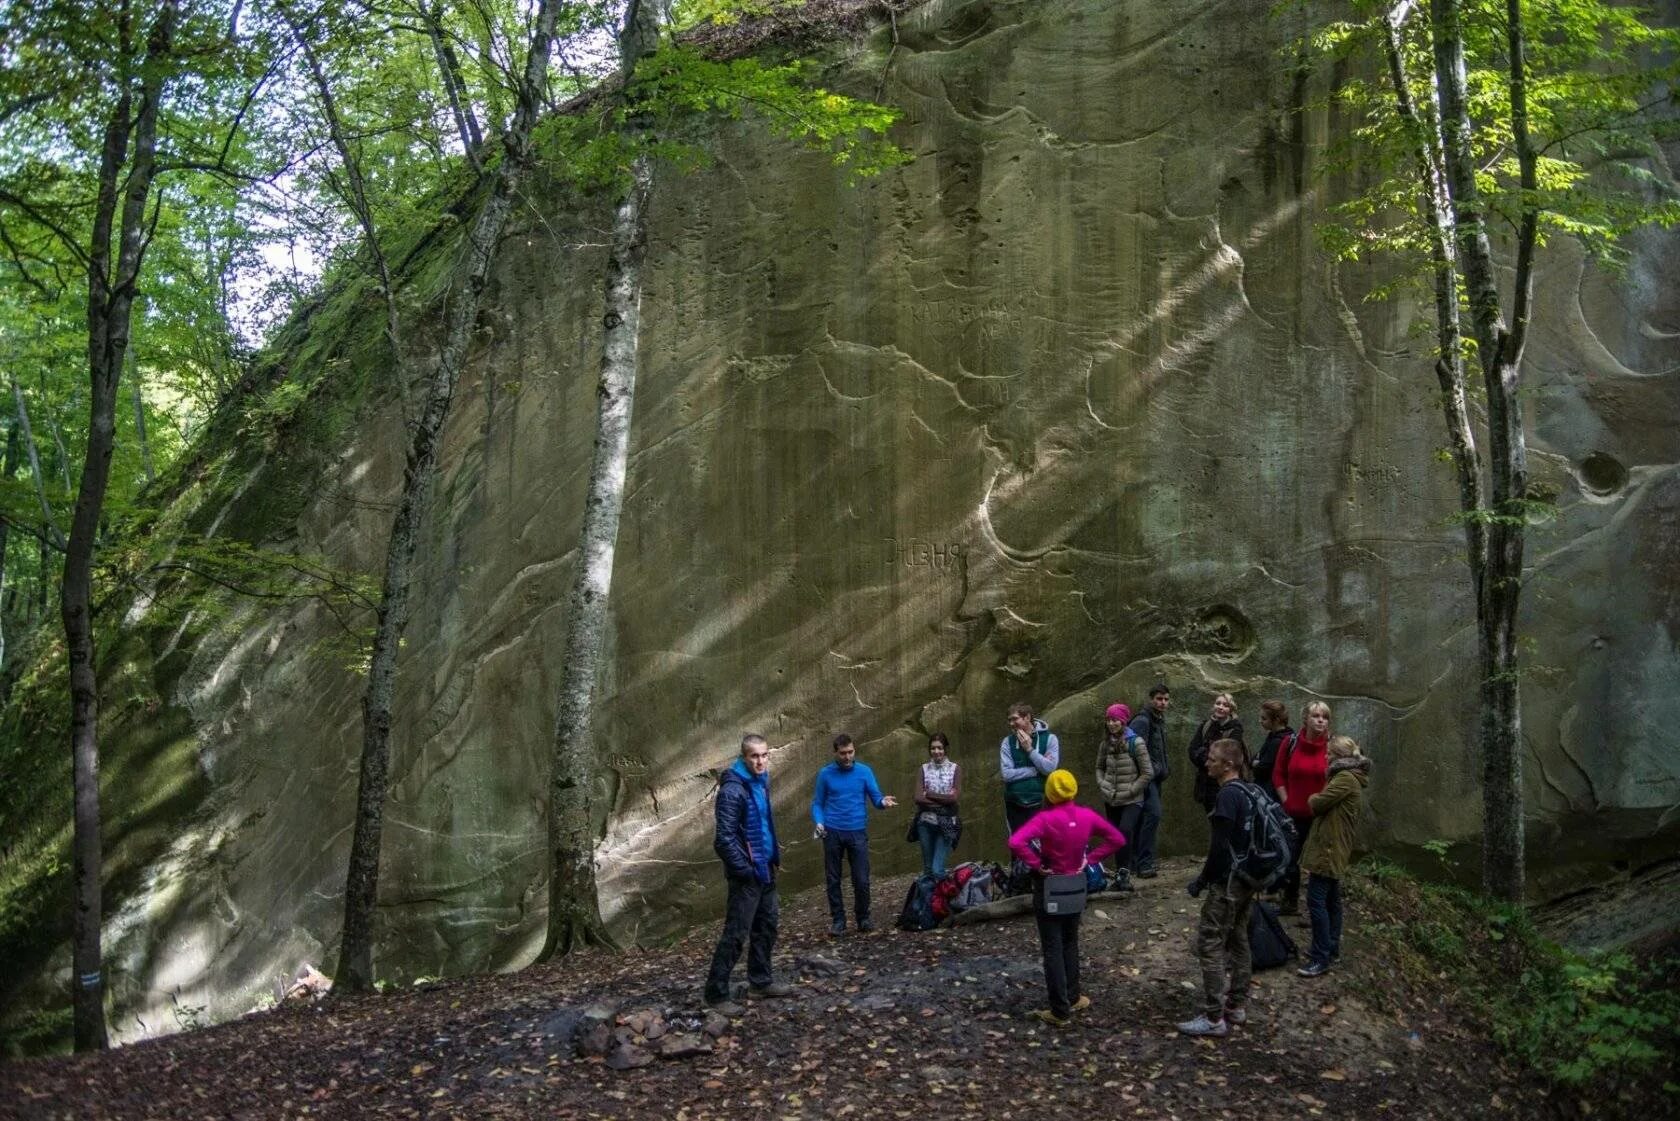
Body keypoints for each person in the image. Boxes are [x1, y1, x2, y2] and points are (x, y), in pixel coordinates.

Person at [1008, 769, 1126, 1026]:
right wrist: (1090, 860)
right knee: (1070, 942)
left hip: (1050, 886)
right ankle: (1072, 997)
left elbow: (1016, 841)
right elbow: (1117, 839)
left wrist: (1036, 863)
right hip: (1076, 885)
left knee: (1053, 947)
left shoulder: (1044, 818)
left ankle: (1060, 1010)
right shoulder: (1086, 815)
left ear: (1049, 792)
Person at [705, 734, 794, 1014]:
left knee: (766, 927)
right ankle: (716, 995)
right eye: (755, 756)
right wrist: (744, 870)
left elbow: (765, 824)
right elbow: (724, 840)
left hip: (765, 869)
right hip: (747, 876)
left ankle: (760, 981)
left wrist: (772, 858)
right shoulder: (732, 790)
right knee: (736, 934)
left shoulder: (761, 781)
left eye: (765, 755)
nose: (761, 761)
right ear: (744, 757)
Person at [1176, 739, 1255, 1038]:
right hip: (1249, 879)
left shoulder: (1228, 796)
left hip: (1230, 881)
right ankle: (1236, 1006)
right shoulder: (1250, 790)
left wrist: (1202, 881)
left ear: (1228, 765)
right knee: (1238, 937)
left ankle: (1213, 1017)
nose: (1207, 763)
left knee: (1210, 940)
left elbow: (1220, 847)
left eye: (1212, 759)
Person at [1298, 735, 1371, 977]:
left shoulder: (1345, 778)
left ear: (1340, 757)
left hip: (1329, 850)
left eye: (1329, 754)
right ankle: (1331, 949)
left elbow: (1318, 804)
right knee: (1331, 901)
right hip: (1334, 848)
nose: (1326, 757)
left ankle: (1321, 957)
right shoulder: (1349, 778)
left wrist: (1311, 798)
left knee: (1316, 901)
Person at [812, 733, 898, 935]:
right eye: (843, 753)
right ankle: (838, 920)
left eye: (850, 752)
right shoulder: (825, 774)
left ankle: (863, 917)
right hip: (832, 831)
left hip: (857, 831)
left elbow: (876, 798)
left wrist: (883, 803)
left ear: (854, 750)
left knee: (861, 878)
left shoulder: (864, 771)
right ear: (835, 753)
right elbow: (817, 803)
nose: (847, 757)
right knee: (833, 879)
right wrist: (819, 822)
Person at [1275, 701, 1332, 915]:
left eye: (1325, 717)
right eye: (1316, 716)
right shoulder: (1290, 742)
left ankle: (1318, 910)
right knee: (1289, 858)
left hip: (1320, 815)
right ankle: (1289, 901)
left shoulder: (1333, 745)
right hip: (1293, 813)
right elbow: (1278, 773)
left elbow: (1336, 779)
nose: (1320, 720)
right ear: (1305, 719)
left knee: (1319, 863)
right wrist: (1286, 800)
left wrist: (1322, 802)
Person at [1094, 702, 1151, 888]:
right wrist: (1103, 784)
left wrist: (1132, 789)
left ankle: (1125, 873)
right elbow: (1099, 767)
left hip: (1132, 799)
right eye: (1109, 720)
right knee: (1115, 835)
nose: (1112, 724)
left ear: (1123, 721)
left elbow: (1147, 772)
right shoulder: (1105, 744)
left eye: (1115, 720)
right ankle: (1120, 873)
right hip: (1111, 798)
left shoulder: (1136, 742)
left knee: (1126, 830)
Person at [1127, 684, 1171, 877]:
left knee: (1145, 818)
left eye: (1166, 699)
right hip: (1145, 779)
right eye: (1159, 699)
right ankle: (1144, 863)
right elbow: (1134, 749)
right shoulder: (1143, 720)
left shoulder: (1158, 720)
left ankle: (1138, 863)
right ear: (1151, 699)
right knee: (1153, 815)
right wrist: (1152, 770)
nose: (1163, 703)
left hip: (1154, 777)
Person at [1000, 701, 1060, 836]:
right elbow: (1006, 774)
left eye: (1015, 719)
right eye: (1009, 720)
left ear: (1027, 717)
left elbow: (1049, 768)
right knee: (1017, 844)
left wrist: (1030, 749)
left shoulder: (1050, 739)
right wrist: (1033, 770)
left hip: (1041, 799)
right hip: (1014, 801)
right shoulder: (1007, 742)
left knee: (1041, 842)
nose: (1011, 723)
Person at [912, 733, 961, 876]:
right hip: (925, 823)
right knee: (928, 869)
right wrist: (943, 801)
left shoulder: (955, 769)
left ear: (945, 749)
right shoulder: (923, 769)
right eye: (933, 748)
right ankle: (930, 898)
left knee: (937, 869)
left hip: (946, 824)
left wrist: (929, 794)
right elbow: (918, 798)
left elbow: (953, 799)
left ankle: (947, 895)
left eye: (939, 748)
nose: (936, 751)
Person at [1188, 693, 1246, 812]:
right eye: (1218, 703)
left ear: (1231, 710)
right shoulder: (1206, 725)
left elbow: (1226, 756)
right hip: (1205, 782)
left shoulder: (1235, 729)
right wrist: (1208, 760)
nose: (1220, 707)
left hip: (1223, 782)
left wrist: (1204, 754)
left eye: (1225, 705)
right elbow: (1192, 749)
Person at [1252, 699, 1293, 802]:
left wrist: (1256, 763)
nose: (1260, 721)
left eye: (1264, 718)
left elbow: (1262, 769)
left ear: (1276, 720)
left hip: (1271, 793)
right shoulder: (1276, 736)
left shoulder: (1277, 742)